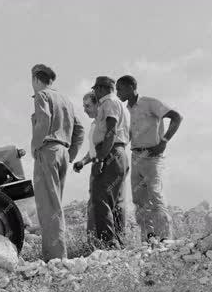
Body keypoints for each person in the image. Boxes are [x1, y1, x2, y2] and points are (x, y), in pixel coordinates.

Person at [116, 75, 183, 242]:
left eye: (120, 89)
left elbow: (177, 117)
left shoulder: (149, 102)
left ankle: (165, 239)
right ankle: (148, 239)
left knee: (155, 196)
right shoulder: (127, 110)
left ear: (131, 87)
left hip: (153, 157)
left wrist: (164, 141)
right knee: (139, 199)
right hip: (136, 156)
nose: (117, 92)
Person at [31, 64, 84, 261]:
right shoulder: (65, 100)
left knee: (48, 207)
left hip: (48, 150)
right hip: (62, 152)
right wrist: (70, 154)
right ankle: (58, 255)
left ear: (36, 78)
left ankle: (55, 257)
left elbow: (43, 120)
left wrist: (35, 146)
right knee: (55, 204)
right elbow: (79, 129)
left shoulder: (42, 96)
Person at [89, 76, 130, 248]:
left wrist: (100, 158)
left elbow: (110, 131)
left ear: (100, 89)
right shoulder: (121, 105)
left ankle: (109, 243)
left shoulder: (109, 102)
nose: (95, 94)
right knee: (116, 201)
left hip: (110, 152)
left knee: (100, 198)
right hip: (119, 153)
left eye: (95, 90)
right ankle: (120, 241)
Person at [73, 91, 99, 239]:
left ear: (97, 104)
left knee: (99, 205)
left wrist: (101, 162)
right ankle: (94, 241)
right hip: (95, 166)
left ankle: (102, 242)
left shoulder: (104, 122)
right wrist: (83, 162)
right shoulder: (95, 124)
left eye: (88, 106)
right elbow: (93, 150)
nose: (85, 109)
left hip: (104, 165)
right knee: (93, 205)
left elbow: (106, 146)